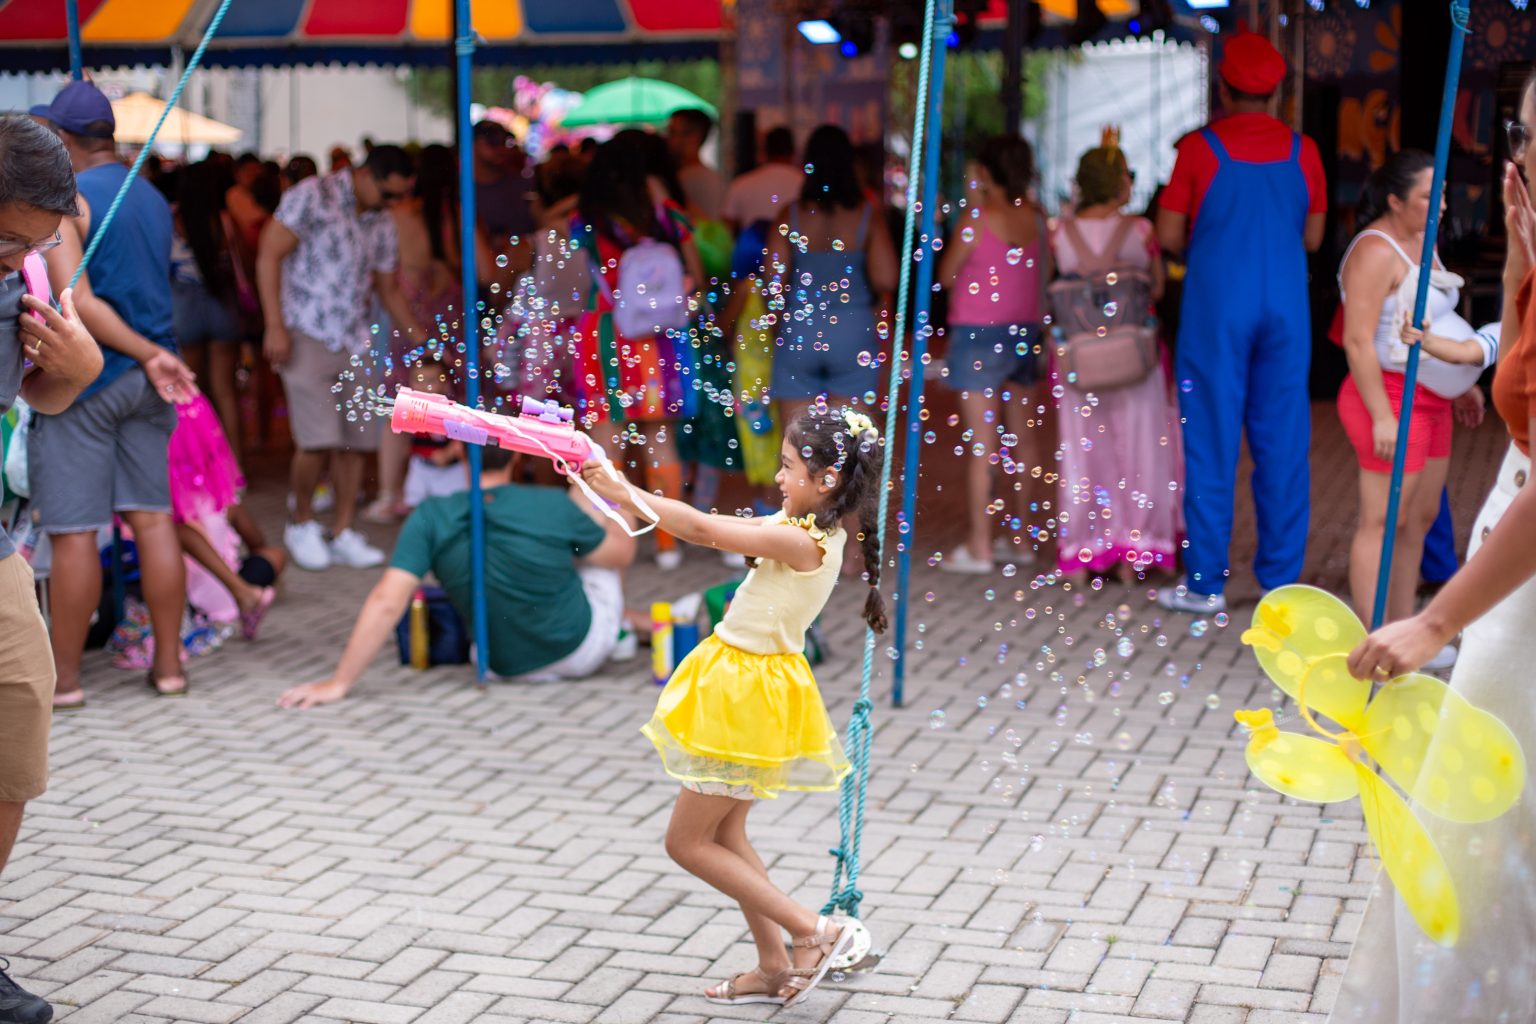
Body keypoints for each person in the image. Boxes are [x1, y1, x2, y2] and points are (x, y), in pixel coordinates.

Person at [1330, 83, 1536, 1022]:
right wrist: (1523, 262)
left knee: (1485, 813)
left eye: (1524, 136)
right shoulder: (1388, 251)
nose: (1513, 157)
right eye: (1518, 133)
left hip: (1512, 549)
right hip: (1493, 521)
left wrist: (1437, 620)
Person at [578, 404, 883, 1009]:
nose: (778, 476)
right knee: (725, 832)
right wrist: (609, 484)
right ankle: (774, 965)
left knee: (686, 843)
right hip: (752, 689)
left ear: (826, 479)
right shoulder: (808, 526)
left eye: (789, 466)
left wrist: (621, 488)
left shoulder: (799, 539)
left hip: (745, 696)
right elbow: (707, 523)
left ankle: (815, 932)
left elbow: (700, 528)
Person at [36, 81, 198, 705]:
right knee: (153, 519)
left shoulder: (69, 200)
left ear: (62, 137)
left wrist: (144, 353)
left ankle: (66, 682)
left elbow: (79, 302)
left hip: (92, 378)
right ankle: (169, 668)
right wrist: (154, 354)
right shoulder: (150, 193)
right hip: (152, 379)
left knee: (75, 530)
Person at [1155, 31, 1327, 614]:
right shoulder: (1304, 151)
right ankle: (1280, 585)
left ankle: (1206, 583)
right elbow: (1313, 237)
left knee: (1210, 439)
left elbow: (1168, 233)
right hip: (1286, 307)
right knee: (1284, 444)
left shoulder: (1197, 149)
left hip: (1216, 306)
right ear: (1277, 93)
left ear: (1222, 89)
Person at [0, 113, 106, 1024]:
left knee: (16, 737)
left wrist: (78, 367)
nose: (19, 262)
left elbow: (42, 395)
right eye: (10, 242)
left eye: (36, 247)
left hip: (0, 550)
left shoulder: (20, 283)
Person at [275, 445, 636, 707]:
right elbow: (622, 554)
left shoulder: (430, 515)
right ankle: (620, 633)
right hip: (580, 652)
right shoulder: (551, 503)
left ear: (461, 454)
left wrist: (339, 683)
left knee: (571, 539)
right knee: (589, 518)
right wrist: (619, 489)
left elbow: (387, 600)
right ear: (517, 455)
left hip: (498, 663)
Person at [1335, 151, 1488, 666]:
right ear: (1395, 201)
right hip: (1388, 396)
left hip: (1429, 398)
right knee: (1383, 520)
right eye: (1428, 196)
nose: (1441, 205)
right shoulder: (1375, 251)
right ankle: (1373, 641)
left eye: (1441, 194)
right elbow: (1358, 341)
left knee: (1418, 518)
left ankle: (1403, 635)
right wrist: (1382, 415)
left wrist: (1457, 385)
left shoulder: (1424, 241)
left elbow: (1425, 325)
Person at [256, 143, 426, 572]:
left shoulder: (382, 220)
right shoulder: (312, 195)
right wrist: (274, 324)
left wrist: (422, 340)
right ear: (366, 175)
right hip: (305, 331)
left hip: (355, 338)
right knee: (317, 440)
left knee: (356, 442)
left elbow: (388, 289)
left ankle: (344, 529)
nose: (394, 203)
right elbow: (269, 254)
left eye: (400, 196)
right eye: (389, 194)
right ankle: (301, 522)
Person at [572, 132, 706, 570]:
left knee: (605, 441)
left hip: (604, 332)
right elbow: (696, 274)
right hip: (659, 339)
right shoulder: (665, 213)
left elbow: (574, 277)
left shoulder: (586, 218)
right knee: (659, 440)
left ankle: (606, 535)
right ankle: (668, 544)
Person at [1049, 141, 1182, 583]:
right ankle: (1136, 552)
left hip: (1079, 360)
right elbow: (1157, 288)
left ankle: (1084, 548)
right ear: (1119, 181)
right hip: (1135, 359)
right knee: (1141, 449)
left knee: (1084, 452)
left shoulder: (1059, 234)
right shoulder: (1140, 230)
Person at [937, 135, 1051, 574]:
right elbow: (1046, 274)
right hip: (1026, 331)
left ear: (984, 171)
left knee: (983, 446)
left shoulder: (977, 217)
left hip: (978, 337)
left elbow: (947, 274)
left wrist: (973, 198)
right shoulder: (1037, 218)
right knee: (1024, 442)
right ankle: (1020, 540)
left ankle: (980, 546)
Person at [766, 124, 897, 422]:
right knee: (852, 438)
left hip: (800, 329)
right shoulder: (866, 215)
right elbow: (886, 277)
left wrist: (778, 328)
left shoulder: (790, 214)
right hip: (853, 330)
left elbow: (773, 283)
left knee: (796, 438)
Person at [171, 160, 245, 468]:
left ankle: (201, 466)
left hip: (183, 310)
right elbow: (242, 264)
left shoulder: (171, 220)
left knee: (192, 392)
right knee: (226, 392)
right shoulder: (223, 220)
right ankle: (236, 467)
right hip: (221, 306)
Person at [724, 126, 803, 234]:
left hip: (751, 244)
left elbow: (726, 229)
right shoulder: (804, 183)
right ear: (793, 151)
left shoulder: (742, 183)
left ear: (764, 151)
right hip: (794, 244)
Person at [472, 120, 534, 251]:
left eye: (504, 142)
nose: (501, 148)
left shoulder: (524, 185)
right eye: (492, 142)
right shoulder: (461, 190)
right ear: (473, 145)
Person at [667, 107, 726, 222]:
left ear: (694, 137)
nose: (667, 138)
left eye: (672, 132)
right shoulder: (709, 177)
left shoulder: (698, 179)